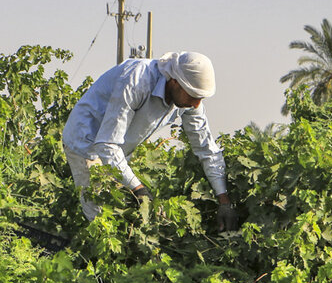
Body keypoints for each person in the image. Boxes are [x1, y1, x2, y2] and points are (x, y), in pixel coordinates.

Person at [62, 51, 239, 231]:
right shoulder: (136, 81)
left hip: (118, 147)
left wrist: (224, 200)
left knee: (124, 215)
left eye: (200, 98)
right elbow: (106, 144)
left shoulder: (190, 100)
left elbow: (206, 148)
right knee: (101, 218)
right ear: (175, 81)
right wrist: (138, 188)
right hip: (87, 142)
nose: (195, 104)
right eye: (193, 96)